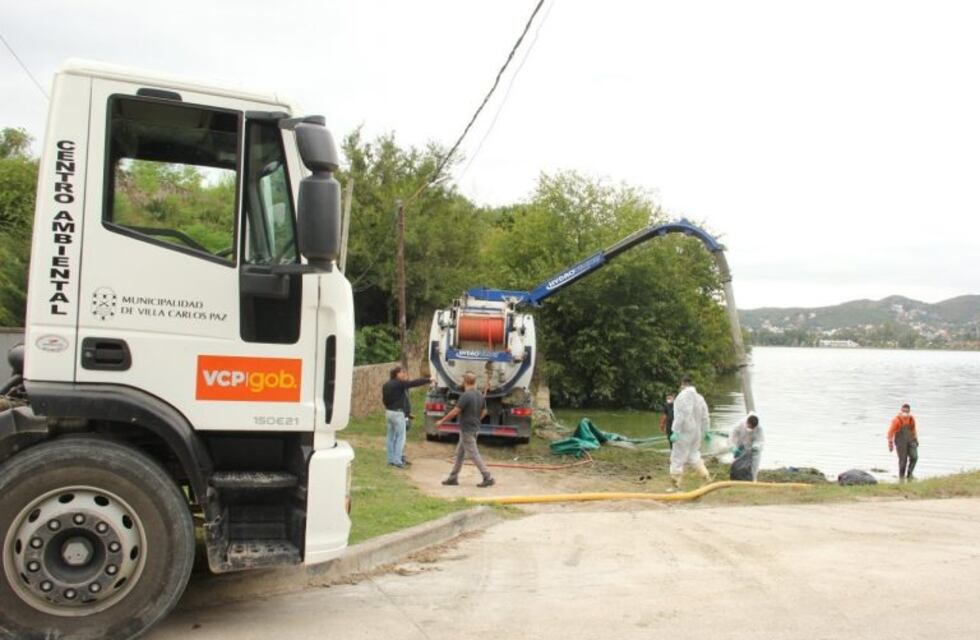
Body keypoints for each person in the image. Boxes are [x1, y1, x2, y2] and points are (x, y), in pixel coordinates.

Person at [436, 372, 495, 488]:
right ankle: (453, 478)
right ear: (474, 382)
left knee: (474, 454)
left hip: (467, 429)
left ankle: (487, 477)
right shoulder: (479, 395)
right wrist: (477, 418)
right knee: (460, 454)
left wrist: (442, 421)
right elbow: (485, 412)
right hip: (473, 427)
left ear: (465, 382)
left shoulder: (466, 395)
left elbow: (455, 411)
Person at [667, 374, 712, 491]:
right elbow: (705, 416)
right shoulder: (700, 398)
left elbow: (681, 415)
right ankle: (705, 476)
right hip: (696, 433)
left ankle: (675, 486)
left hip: (684, 432)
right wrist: (706, 431)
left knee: (677, 457)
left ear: (683, 384)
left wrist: (675, 431)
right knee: (694, 455)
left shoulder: (681, 397)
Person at [381, 365, 432, 468]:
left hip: (389, 412)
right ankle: (397, 461)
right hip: (398, 413)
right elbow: (413, 383)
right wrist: (428, 380)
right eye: (402, 372)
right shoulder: (399, 384)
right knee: (401, 437)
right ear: (397, 374)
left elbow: (384, 400)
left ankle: (390, 459)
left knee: (390, 437)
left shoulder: (386, 384)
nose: (404, 374)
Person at [887, 403, 919, 481]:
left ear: (909, 411)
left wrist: (916, 439)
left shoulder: (911, 419)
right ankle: (901, 478)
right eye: (903, 410)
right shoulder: (897, 420)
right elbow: (890, 432)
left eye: (906, 410)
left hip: (911, 440)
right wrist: (890, 444)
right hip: (900, 442)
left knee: (914, 457)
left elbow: (913, 429)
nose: (905, 412)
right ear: (901, 410)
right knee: (903, 460)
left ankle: (909, 474)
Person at [729, 413, 764, 481]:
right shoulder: (739, 425)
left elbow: (760, 440)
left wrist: (756, 446)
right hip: (740, 446)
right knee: (736, 463)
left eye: (752, 428)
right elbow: (732, 437)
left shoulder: (759, 428)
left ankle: (752, 480)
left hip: (752, 450)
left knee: (754, 466)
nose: (750, 429)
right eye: (749, 426)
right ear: (747, 422)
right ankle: (735, 479)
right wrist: (733, 447)